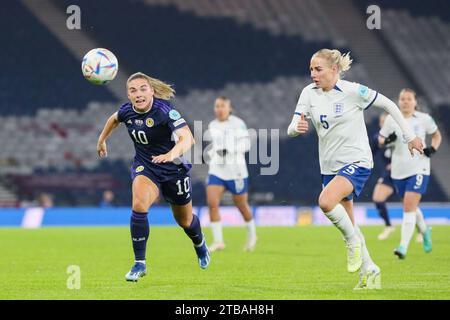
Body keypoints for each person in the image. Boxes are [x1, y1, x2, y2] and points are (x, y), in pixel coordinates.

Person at [287, 49, 423, 290]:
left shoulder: (353, 91)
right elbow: (291, 128)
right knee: (349, 221)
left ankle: (352, 244)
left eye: (318, 69)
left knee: (326, 202)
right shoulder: (308, 93)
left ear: (334, 70)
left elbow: (389, 105)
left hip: (357, 162)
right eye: (311, 69)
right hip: (328, 167)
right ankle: (371, 270)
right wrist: (296, 128)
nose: (313, 74)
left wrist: (410, 136)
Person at [97, 72, 210, 282]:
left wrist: (171, 154)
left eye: (142, 89)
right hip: (146, 166)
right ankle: (140, 263)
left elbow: (188, 138)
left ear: (151, 91)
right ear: (128, 95)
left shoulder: (164, 110)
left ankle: (200, 244)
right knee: (139, 205)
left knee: (185, 221)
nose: (138, 94)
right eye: (133, 90)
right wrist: (102, 140)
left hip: (173, 169)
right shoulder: (126, 111)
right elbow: (114, 119)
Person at [379, 88, 441, 259]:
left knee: (408, 207)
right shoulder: (392, 119)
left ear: (415, 102)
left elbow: (436, 135)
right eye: (402, 99)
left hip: (419, 167)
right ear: (398, 101)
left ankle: (402, 247)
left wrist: (432, 148)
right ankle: (425, 230)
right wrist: (387, 140)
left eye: (409, 99)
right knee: (410, 206)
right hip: (398, 170)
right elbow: (380, 139)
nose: (405, 102)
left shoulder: (424, 119)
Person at [205, 96, 257, 252]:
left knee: (241, 204)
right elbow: (215, 146)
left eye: (223, 106)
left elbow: (246, 144)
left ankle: (252, 235)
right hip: (217, 170)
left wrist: (230, 149)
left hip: (236, 171)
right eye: (217, 106)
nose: (219, 109)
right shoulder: (212, 125)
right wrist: (214, 153)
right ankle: (218, 241)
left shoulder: (238, 123)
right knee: (212, 203)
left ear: (229, 108)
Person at [370, 113, 396, 240]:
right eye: (382, 122)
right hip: (389, 174)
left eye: (386, 122)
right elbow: (371, 154)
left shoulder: (400, 134)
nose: (384, 124)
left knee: (409, 204)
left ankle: (421, 231)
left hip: (404, 172)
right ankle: (388, 226)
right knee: (377, 198)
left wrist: (396, 163)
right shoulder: (377, 138)